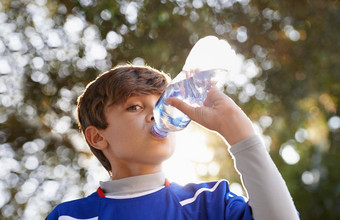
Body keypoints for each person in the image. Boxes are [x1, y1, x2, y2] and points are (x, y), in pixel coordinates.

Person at [46, 65, 299, 220]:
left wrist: (239, 132)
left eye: (161, 105)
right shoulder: (69, 217)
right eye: (134, 107)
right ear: (98, 137)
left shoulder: (209, 202)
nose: (156, 115)